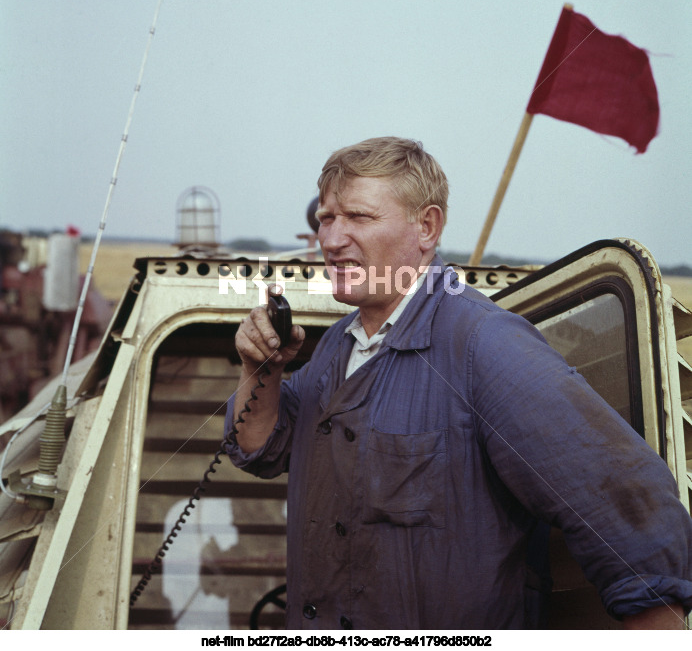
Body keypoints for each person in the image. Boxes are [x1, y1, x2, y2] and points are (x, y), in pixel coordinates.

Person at [226, 136, 692, 629]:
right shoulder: (336, 347)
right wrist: (262, 370)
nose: (333, 239)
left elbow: (622, 494)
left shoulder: (483, 343)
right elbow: (260, 448)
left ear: (426, 226)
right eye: (325, 218)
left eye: (358, 217)